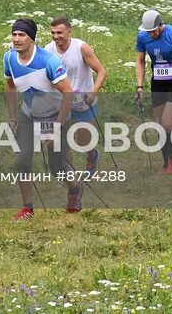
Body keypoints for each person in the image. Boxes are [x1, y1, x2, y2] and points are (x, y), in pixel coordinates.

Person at [3, 18, 77, 220]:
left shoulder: (48, 61)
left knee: (57, 167)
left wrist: (57, 126)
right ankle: (27, 208)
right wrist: (13, 117)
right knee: (22, 161)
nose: (16, 39)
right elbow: (9, 85)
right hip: (29, 117)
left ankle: (74, 188)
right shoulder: (9, 58)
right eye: (14, 34)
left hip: (55, 116)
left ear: (32, 39)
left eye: (22, 35)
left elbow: (68, 93)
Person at [48, 16, 108, 209]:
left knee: (83, 140)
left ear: (69, 32)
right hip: (60, 104)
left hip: (83, 101)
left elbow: (102, 71)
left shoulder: (81, 47)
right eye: (53, 33)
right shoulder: (47, 51)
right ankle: (71, 179)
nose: (56, 36)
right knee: (65, 145)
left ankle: (92, 155)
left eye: (60, 33)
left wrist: (93, 92)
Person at [134, 10, 172, 174]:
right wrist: (140, 86)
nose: (151, 34)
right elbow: (140, 61)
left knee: (167, 123)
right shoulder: (143, 36)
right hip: (158, 83)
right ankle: (166, 161)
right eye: (148, 31)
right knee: (161, 124)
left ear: (161, 24)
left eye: (154, 30)